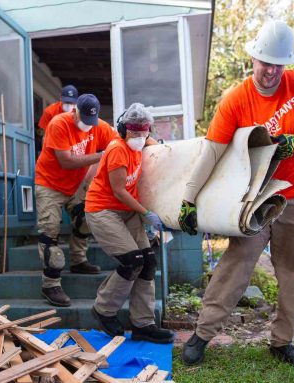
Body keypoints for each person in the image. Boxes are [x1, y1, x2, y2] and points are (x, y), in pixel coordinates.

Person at [179, 20, 294, 368]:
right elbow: (212, 152)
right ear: (253, 57)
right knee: (237, 262)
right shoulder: (236, 100)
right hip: (257, 196)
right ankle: (202, 334)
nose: (270, 70)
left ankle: (282, 342)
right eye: (264, 61)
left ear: (286, 63)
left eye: (278, 63)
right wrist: (188, 199)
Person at [86, 103, 175, 344]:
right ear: (123, 130)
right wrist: (147, 214)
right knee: (132, 260)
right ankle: (104, 309)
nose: (139, 136)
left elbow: (154, 146)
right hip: (103, 209)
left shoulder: (143, 141)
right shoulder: (116, 149)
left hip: (127, 211)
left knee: (148, 261)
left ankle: (143, 324)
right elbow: (118, 191)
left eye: (144, 131)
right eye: (134, 132)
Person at [35, 93, 118, 307]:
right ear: (75, 112)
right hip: (49, 183)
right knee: (49, 234)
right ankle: (50, 284)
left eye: (92, 121)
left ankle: (79, 259)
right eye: (84, 120)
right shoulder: (58, 124)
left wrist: (147, 141)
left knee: (87, 218)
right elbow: (67, 161)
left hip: (76, 185)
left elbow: (119, 142)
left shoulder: (98, 126)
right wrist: (101, 155)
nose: (88, 126)